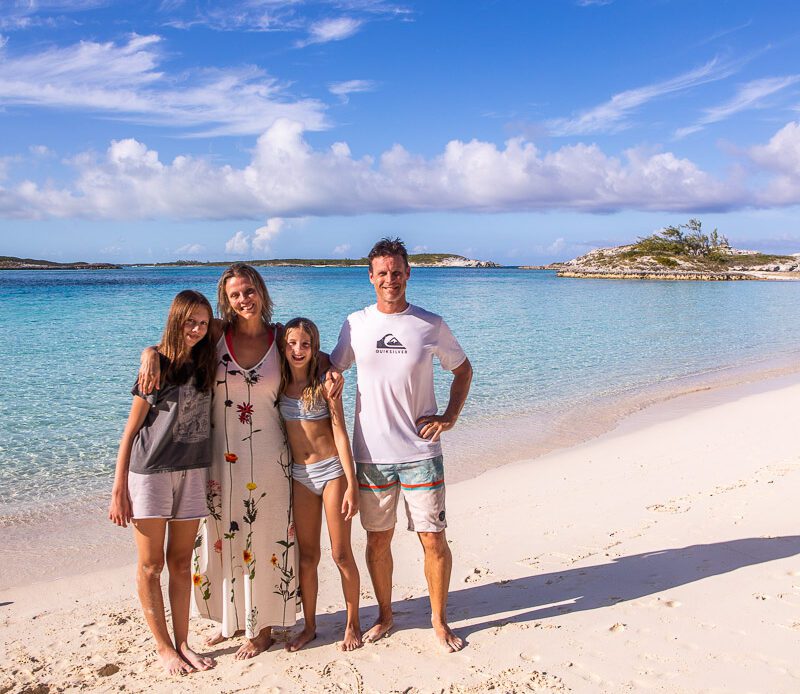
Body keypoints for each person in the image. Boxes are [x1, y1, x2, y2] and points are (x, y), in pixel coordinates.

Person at [139, 264, 310, 660]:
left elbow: (311, 356)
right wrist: (148, 352)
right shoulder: (217, 333)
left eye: (248, 291)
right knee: (221, 538)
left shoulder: (281, 337)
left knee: (267, 537)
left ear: (261, 292)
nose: (243, 299)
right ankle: (229, 619)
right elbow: (175, 340)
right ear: (226, 301)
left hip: (270, 457)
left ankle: (263, 627)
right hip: (217, 457)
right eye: (235, 295)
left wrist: (332, 372)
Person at [330, 237, 473, 653]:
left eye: (396, 272)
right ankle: (386, 615)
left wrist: (449, 417)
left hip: (421, 454)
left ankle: (439, 620)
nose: (389, 279)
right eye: (382, 273)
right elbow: (330, 368)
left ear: (408, 273)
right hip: (370, 455)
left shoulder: (430, 323)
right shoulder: (355, 324)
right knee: (378, 539)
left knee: (433, 539)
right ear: (371, 277)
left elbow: (463, 370)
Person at [109, 289, 217, 675]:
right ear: (176, 320)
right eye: (190, 322)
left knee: (182, 562)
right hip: (149, 473)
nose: (197, 329)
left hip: (193, 471)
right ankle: (163, 647)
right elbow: (131, 429)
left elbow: (239, 325)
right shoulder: (156, 366)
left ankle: (184, 641)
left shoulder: (206, 360)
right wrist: (119, 487)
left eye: (203, 323)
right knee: (151, 565)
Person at [278, 317, 362, 652]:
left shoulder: (325, 384)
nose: (297, 350)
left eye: (305, 344)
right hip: (300, 476)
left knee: (341, 553)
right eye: (291, 344)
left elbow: (340, 433)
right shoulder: (278, 382)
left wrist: (352, 483)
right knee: (307, 556)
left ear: (315, 349)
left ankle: (353, 622)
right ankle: (310, 626)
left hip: (332, 475)